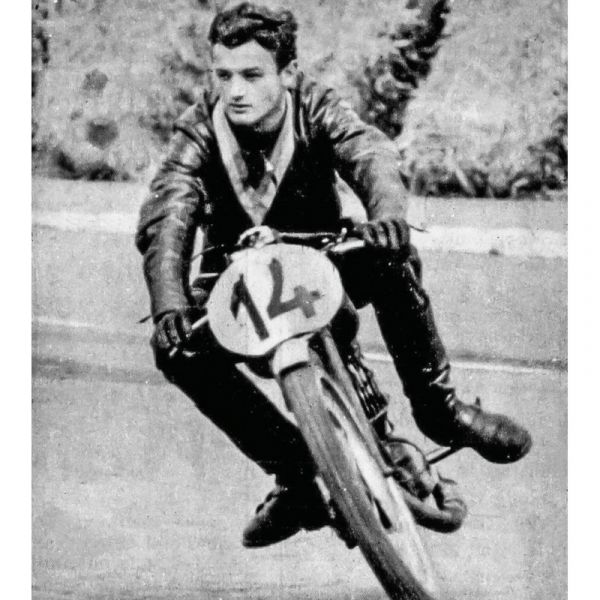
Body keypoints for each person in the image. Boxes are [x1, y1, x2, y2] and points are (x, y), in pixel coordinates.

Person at [135, 2, 531, 548]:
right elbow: (168, 211)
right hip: (233, 277)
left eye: (252, 75)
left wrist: (387, 215)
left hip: (326, 253)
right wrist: (168, 303)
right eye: (223, 76)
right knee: (177, 349)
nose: (235, 91)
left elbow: (369, 153)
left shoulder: (315, 105)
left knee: (394, 259)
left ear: (288, 73)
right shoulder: (200, 127)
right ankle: (296, 474)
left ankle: (441, 410)